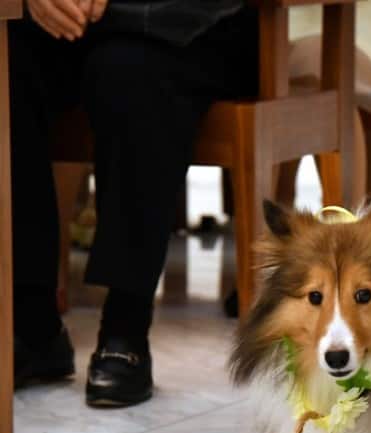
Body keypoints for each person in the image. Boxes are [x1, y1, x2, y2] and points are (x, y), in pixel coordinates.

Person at [10, 0, 258, 406]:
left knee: (129, 69)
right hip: (77, 23)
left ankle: (125, 325)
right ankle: (30, 320)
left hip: (191, 23)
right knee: (7, 54)